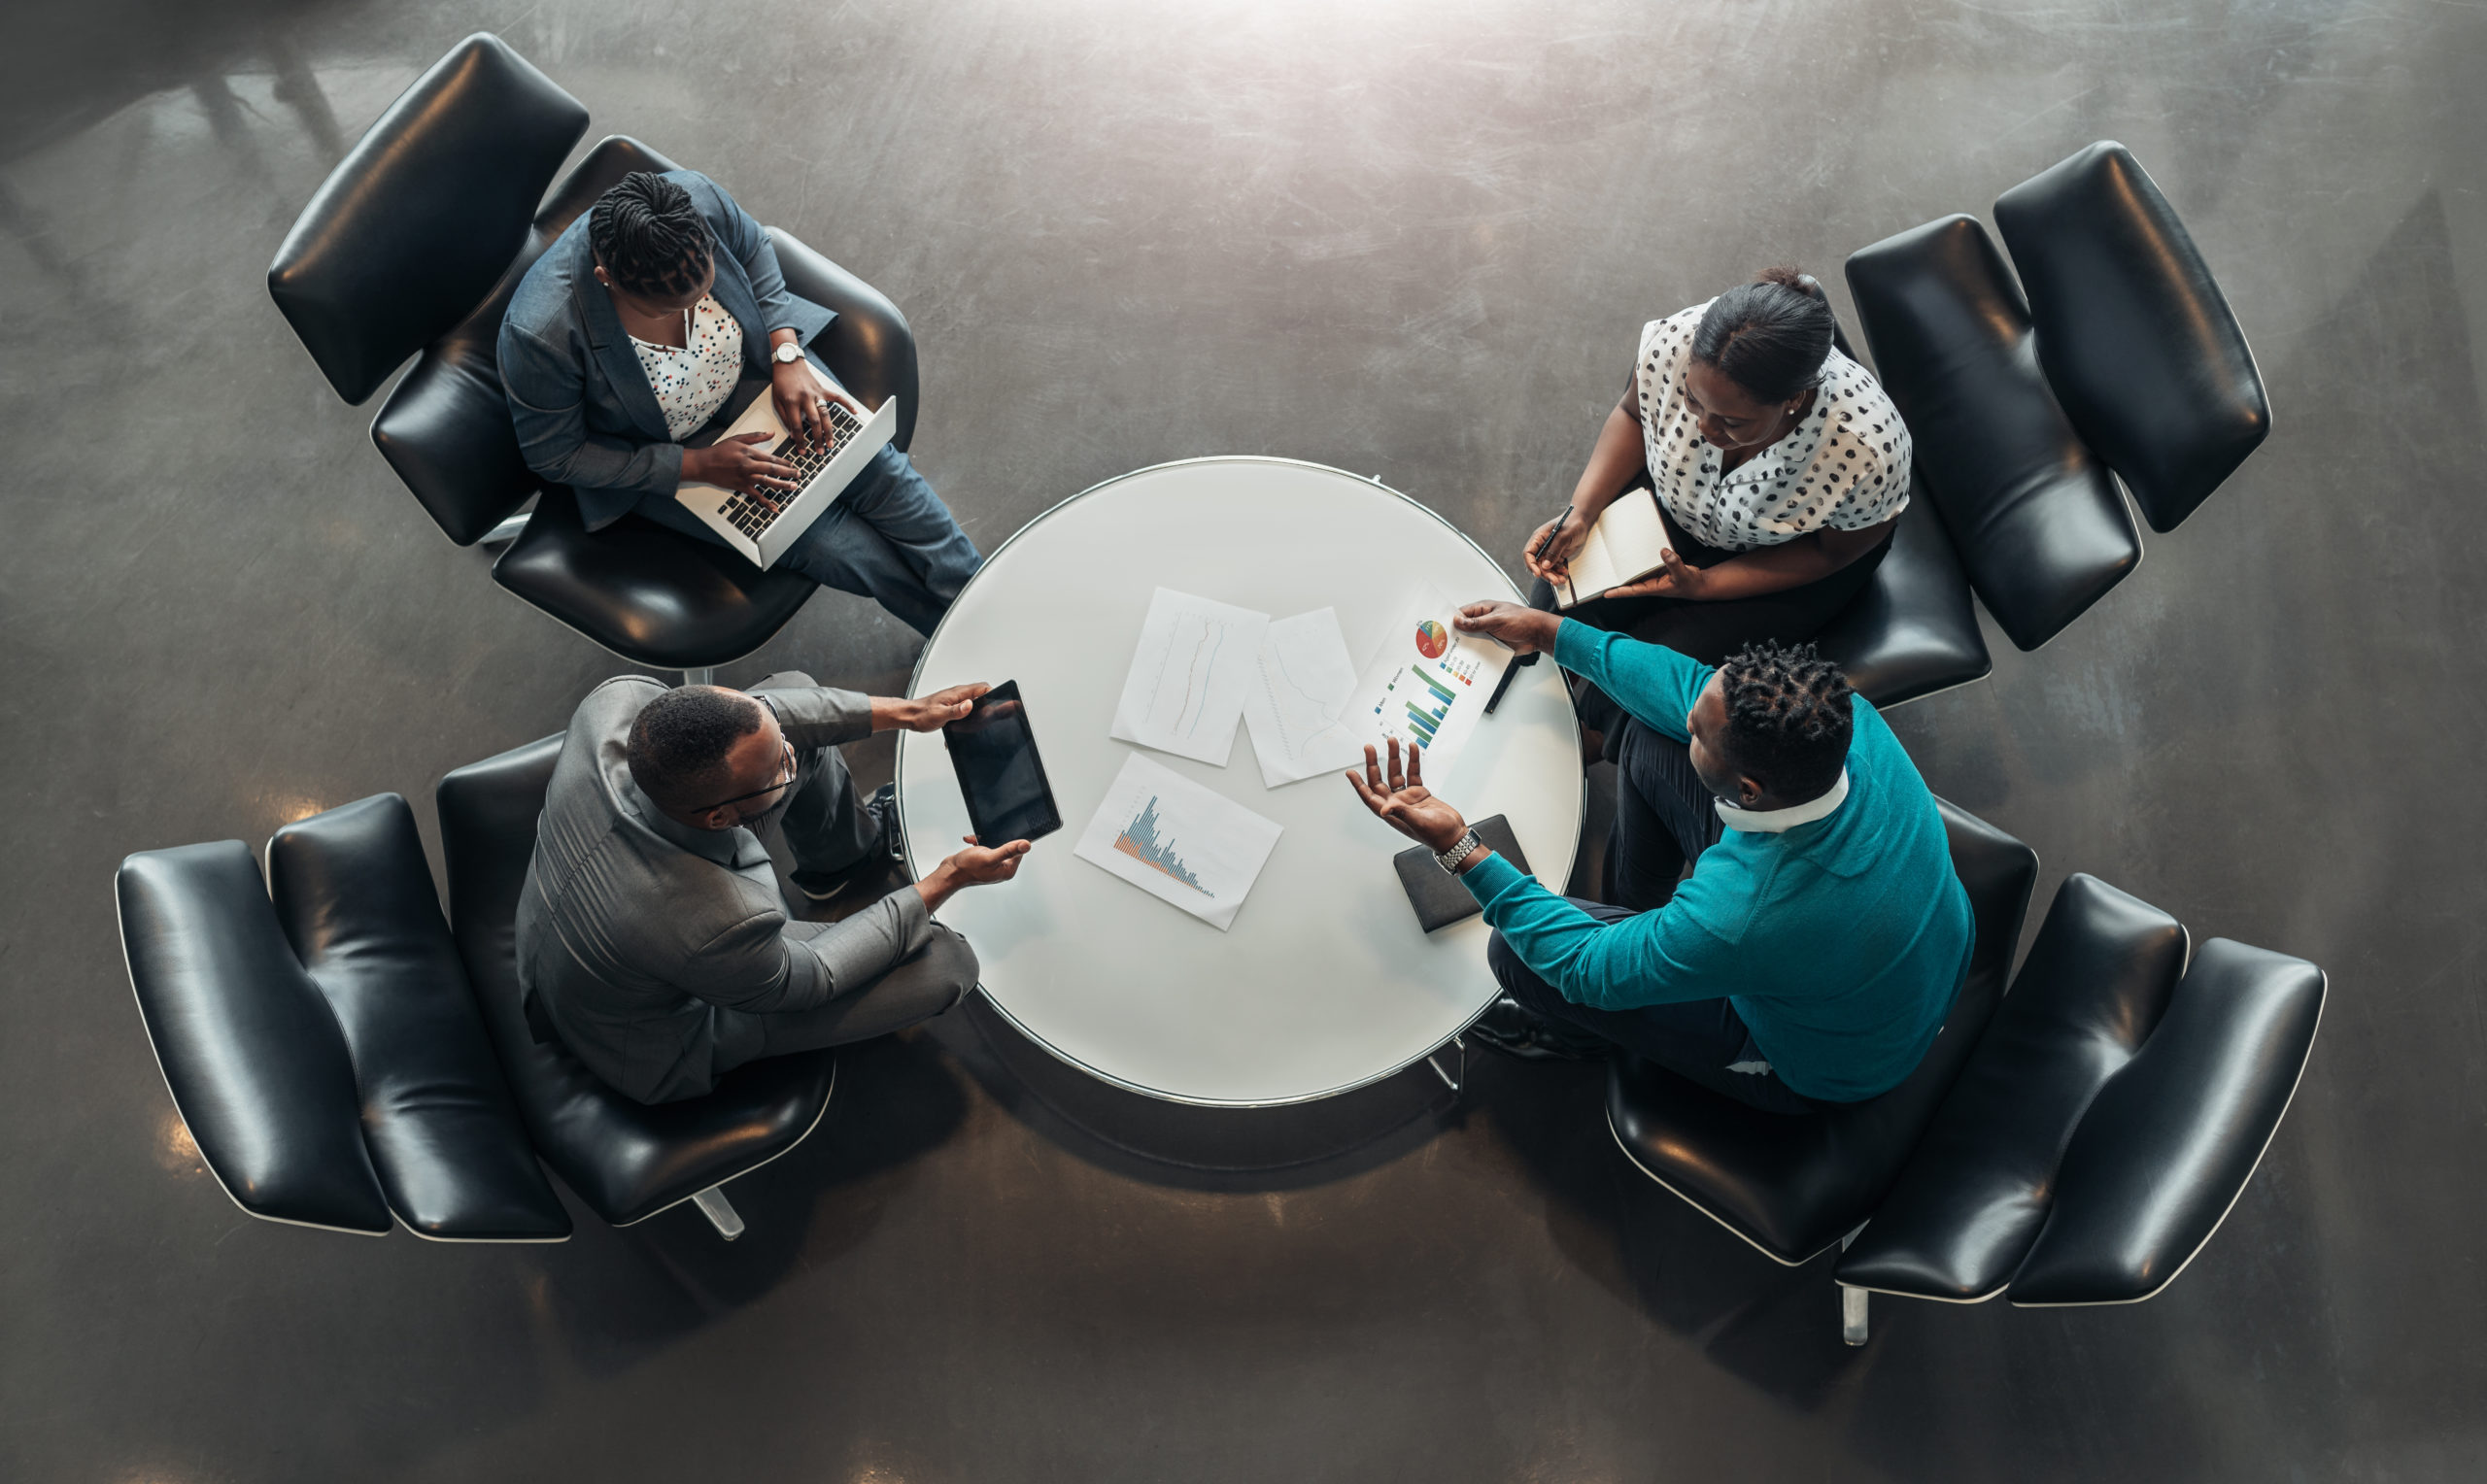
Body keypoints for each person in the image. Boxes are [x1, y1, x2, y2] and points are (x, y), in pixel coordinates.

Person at [1346, 601, 1969, 1114]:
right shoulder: (1838, 718)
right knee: (1648, 735)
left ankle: (1577, 1037)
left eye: (1701, 731)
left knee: (1522, 958)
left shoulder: (1743, 915)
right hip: (1893, 945)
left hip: (1825, 1061)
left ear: (1749, 790)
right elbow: (1680, 690)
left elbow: (1586, 967)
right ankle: (1636, 919)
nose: (1690, 718)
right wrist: (1549, 631)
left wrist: (1460, 844)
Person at [499, 170, 980, 637]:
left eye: (704, 293)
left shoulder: (693, 198)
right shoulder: (541, 336)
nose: (691, 313)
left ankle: (987, 603)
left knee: (882, 475)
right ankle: (957, 638)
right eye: (668, 309)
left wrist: (787, 351)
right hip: (667, 444)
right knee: (834, 546)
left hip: (756, 374)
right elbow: (556, 454)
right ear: (607, 280)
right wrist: (696, 465)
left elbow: (754, 247)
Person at [517, 672, 1032, 1104]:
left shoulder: (617, 706)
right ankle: (850, 870)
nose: (789, 750)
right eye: (779, 763)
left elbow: (768, 713)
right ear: (719, 817)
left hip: (579, 929)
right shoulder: (719, 917)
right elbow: (814, 977)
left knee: (796, 709)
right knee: (948, 961)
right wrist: (949, 878)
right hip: (659, 1040)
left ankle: (841, 866)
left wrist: (907, 712)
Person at [1523, 269, 1913, 754]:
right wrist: (1582, 510)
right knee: (1552, 598)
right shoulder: (1679, 340)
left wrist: (1707, 585)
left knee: (1655, 677)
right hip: (1677, 505)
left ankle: (1589, 741)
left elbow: (1832, 553)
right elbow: (1631, 413)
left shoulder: (1864, 449)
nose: (1704, 428)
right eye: (1691, 399)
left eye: (1731, 422)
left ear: (1792, 401)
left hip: (1781, 554)